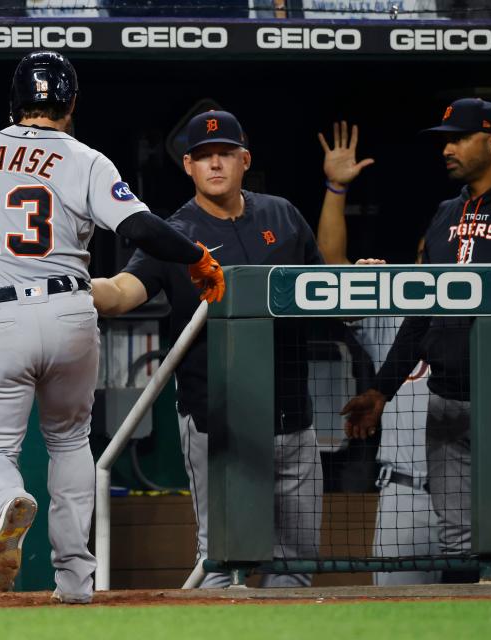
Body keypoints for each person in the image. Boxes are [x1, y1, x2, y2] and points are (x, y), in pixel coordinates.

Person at [0, 51, 224, 603]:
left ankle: (5, 504)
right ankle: (75, 581)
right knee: (70, 442)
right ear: (70, 103)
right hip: (72, 308)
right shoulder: (86, 159)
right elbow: (140, 226)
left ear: (15, 102)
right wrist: (194, 255)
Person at [93, 109, 324, 588]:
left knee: (296, 567)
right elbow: (122, 292)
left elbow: (325, 290)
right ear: (188, 167)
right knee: (222, 562)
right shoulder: (174, 232)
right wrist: (73, 282)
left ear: (245, 160)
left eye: (224, 154)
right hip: (218, 422)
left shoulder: (282, 215)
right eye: (203, 156)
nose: (214, 164)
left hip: (292, 418)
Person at [342, 98, 491, 582]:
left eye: (459, 138)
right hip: (446, 399)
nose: (447, 148)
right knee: (459, 547)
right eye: (443, 140)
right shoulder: (444, 214)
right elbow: (422, 313)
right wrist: (382, 390)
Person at [317, 121, 440, 585]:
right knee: (395, 618)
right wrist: (335, 189)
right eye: (431, 254)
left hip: (476, 489)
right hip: (404, 494)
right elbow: (331, 266)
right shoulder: (397, 303)